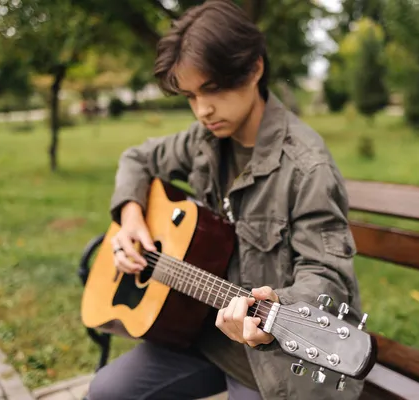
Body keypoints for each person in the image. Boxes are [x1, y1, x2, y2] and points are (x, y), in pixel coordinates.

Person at [86, 1, 364, 399]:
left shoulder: (307, 167)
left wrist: (275, 306)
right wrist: (131, 219)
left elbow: (329, 279)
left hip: (271, 360)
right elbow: (137, 158)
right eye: (190, 96)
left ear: (254, 68)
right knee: (107, 391)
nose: (203, 110)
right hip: (198, 334)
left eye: (213, 89)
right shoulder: (206, 139)